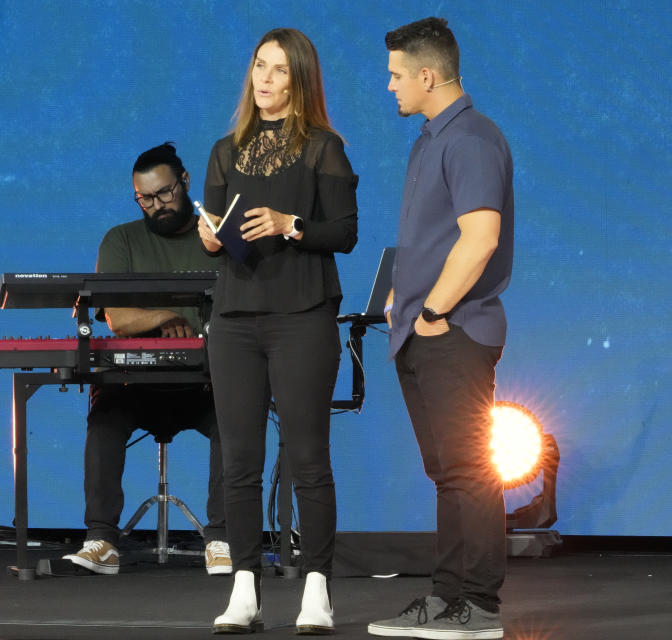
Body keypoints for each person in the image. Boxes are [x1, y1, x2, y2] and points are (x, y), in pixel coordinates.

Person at [199, 28, 358, 635]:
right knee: (239, 458)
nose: (264, 80)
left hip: (302, 314)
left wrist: (291, 224)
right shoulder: (224, 149)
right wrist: (212, 238)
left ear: (300, 80)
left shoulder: (323, 148)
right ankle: (245, 586)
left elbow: (344, 231)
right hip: (235, 317)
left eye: (279, 71)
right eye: (259, 67)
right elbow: (214, 234)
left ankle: (316, 587)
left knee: (308, 455)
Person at [367, 17, 514, 640]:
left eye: (397, 75)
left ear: (428, 75)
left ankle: (477, 606)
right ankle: (447, 597)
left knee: (469, 469)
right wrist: (406, 293)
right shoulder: (431, 138)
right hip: (422, 331)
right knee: (448, 471)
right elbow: (439, 235)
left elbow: (481, 238)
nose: (391, 86)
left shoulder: (471, 138)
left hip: (452, 332)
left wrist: (432, 311)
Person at [62, 142, 230, 576]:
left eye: (165, 193)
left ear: (185, 182)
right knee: (104, 418)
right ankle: (101, 539)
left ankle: (223, 540)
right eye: (145, 198)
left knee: (236, 420)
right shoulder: (121, 239)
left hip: (204, 383)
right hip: (135, 383)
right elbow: (116, 318)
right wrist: (167, 315)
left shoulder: (215, 237)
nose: (156, 205)